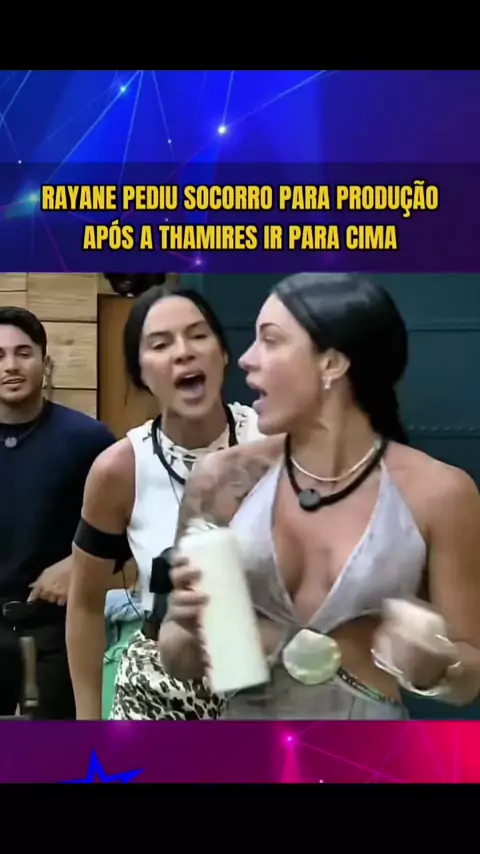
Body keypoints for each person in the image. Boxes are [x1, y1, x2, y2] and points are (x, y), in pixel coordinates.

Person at [159, 273, 480, 720]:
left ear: (331, 363)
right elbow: (177, 660)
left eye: (270, 340)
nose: (246, 360)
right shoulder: (220, 480)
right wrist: (184, 627)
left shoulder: (440, 493)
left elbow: (469, 679)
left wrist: (437, 664)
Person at [66, 284, 262, 720]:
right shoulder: (120, 469)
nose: (184, 352)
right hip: (161, 688)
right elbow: (84, 604)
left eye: (198, 335)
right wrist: (86, 727)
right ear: (141, 372)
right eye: (160, 344)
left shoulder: (269, 441)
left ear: (223, 353)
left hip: (269, 686)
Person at [0, 306, 116, 719]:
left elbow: (135, 525)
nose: (11, 366)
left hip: (58, 631)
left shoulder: (89, 440)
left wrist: (77, 565)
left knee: (57, 751)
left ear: (45, 363)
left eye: (23, 353)